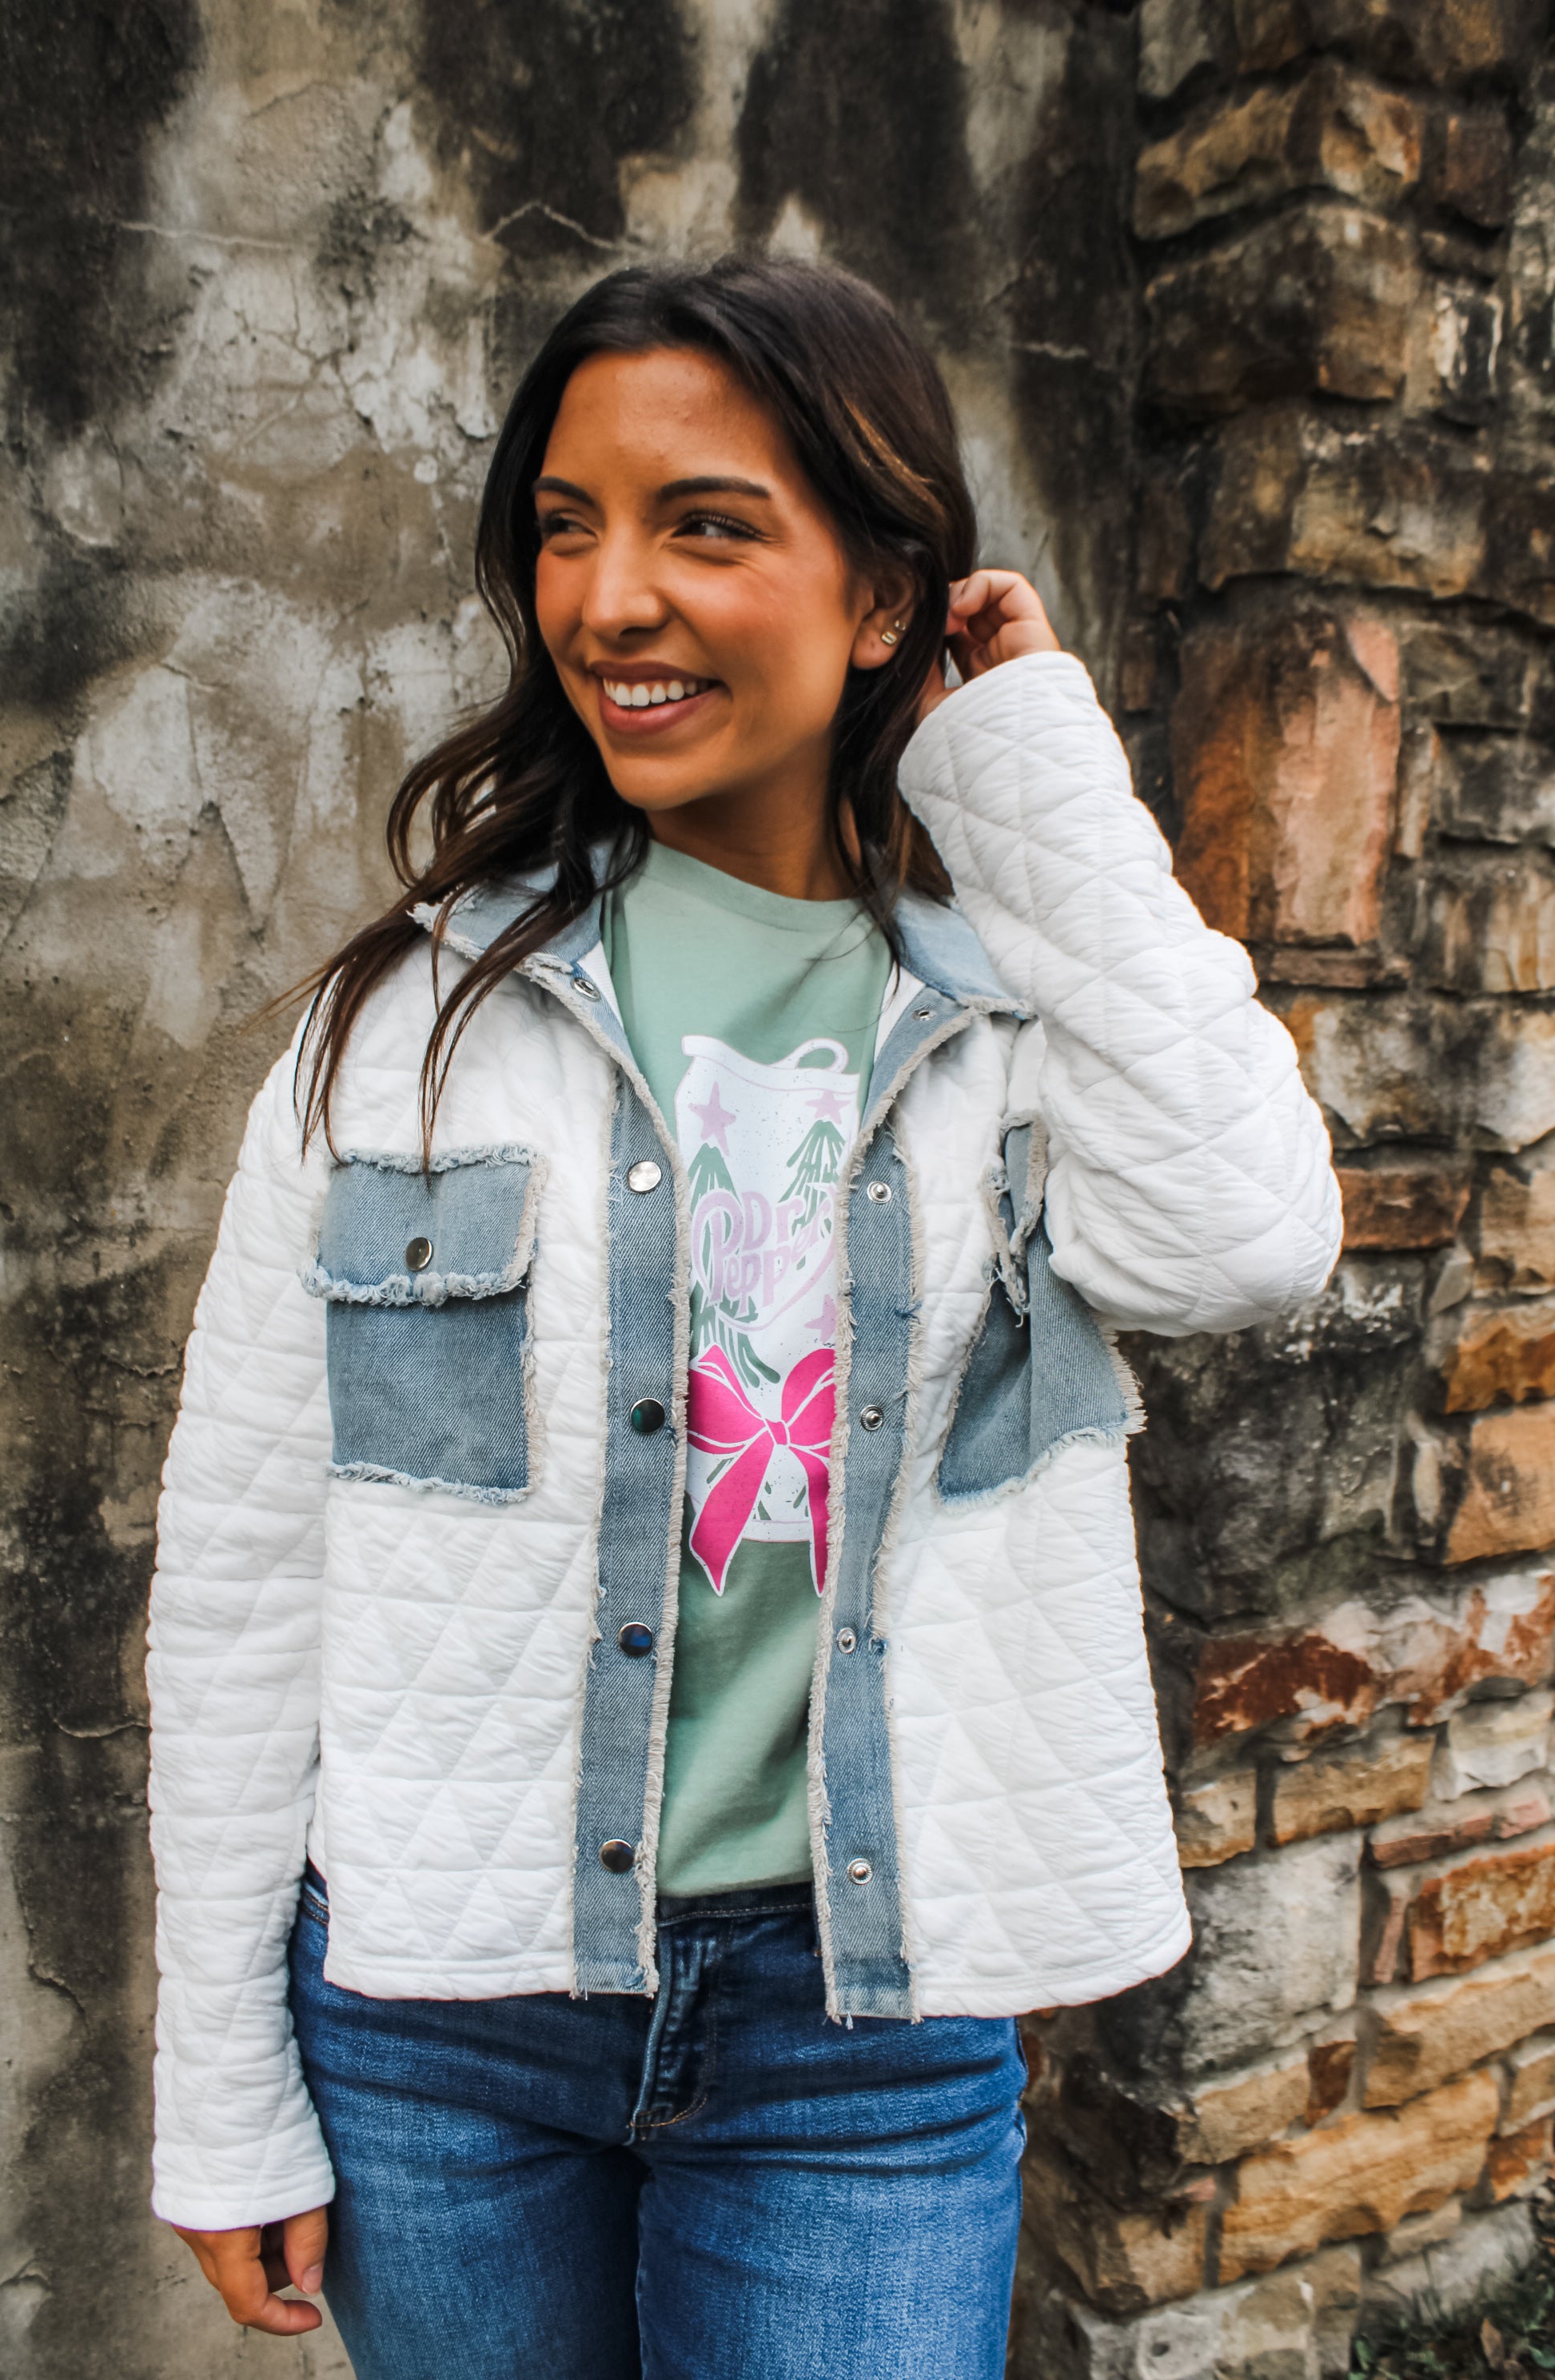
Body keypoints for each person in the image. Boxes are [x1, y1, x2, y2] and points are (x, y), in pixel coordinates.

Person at [146, 254, 1342, 2379]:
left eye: (705, 527)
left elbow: (1246, 1241)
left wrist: (1032, 771)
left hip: (860, 2041)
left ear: (885, 594)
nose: (611, 600)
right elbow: (249, 1573)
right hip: (441, 2028)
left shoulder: (1014, 1023)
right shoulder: (404, 1035)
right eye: (566, 528)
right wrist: (222, 2078)